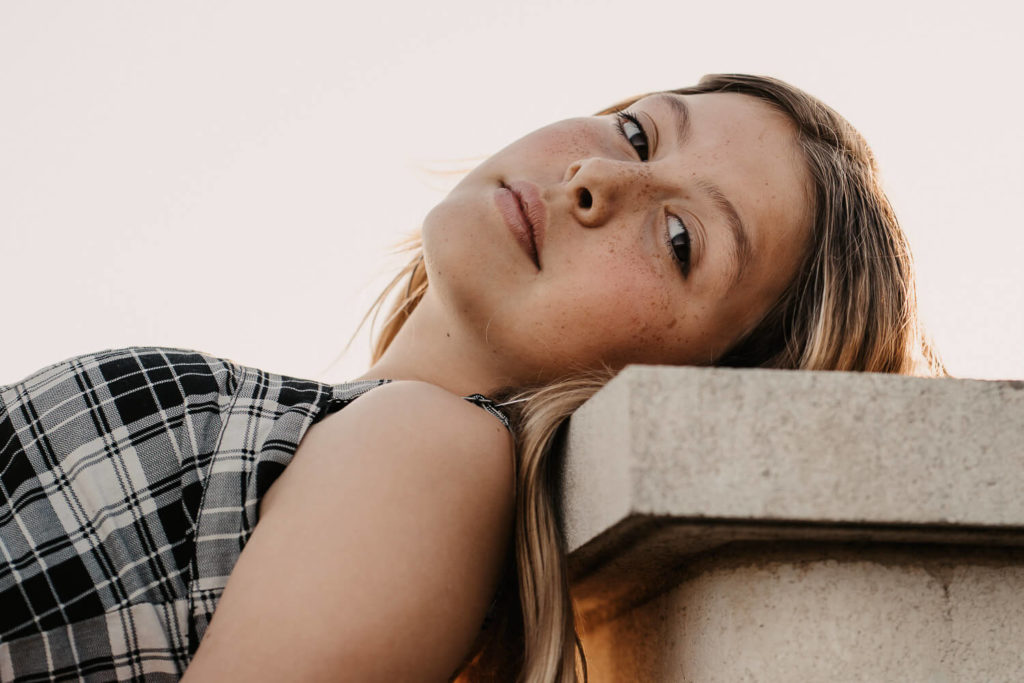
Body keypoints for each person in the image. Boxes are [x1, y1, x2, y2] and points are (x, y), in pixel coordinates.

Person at [0, 74, 944, 682]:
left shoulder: (432, 450)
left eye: (680, 239)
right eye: (638, 132)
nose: (597, 178)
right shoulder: (363, 436)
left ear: (695, 386)